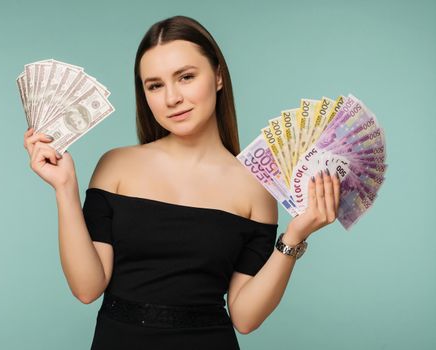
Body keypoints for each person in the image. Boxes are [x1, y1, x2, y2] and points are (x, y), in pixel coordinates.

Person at [23, 15, 340, 350]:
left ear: (218, 76)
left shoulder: (257, 188)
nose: (171, 98)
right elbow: (87, 288)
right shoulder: (116, 166)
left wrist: (294, 237)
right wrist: (65, 189)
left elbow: (245, 318)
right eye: (155, 85)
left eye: (186, 77)